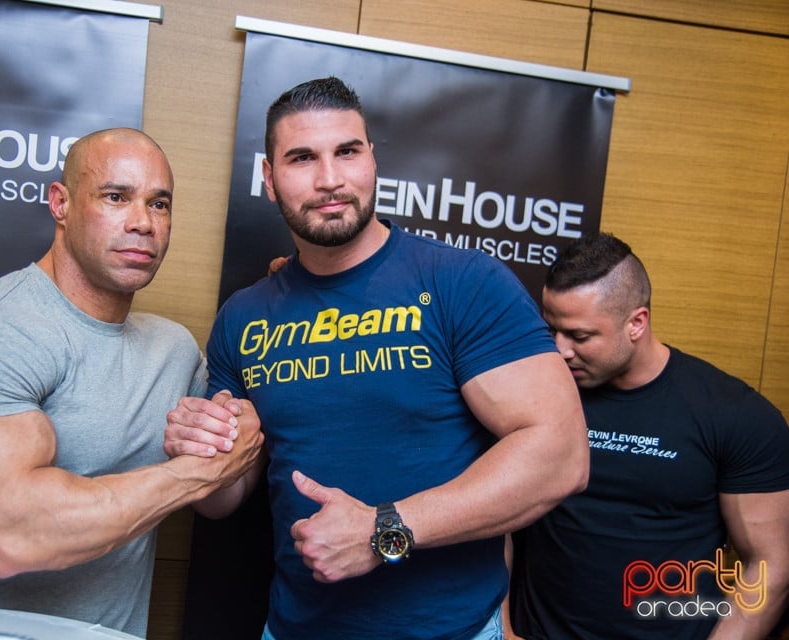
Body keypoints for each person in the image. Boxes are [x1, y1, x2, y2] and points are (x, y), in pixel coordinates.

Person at [165, 76, 589, 640]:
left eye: (347, 151)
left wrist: (384, 529)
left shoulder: (461, 282)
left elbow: (562, 456)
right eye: (302, 158)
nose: (330, 178)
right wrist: (202, 452)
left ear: (372, 159)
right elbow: (224, 501)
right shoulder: (243, 317)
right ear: (268, 179)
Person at [0, 127, 264, 637]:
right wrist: (191, 476)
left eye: (159, 204)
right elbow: (5, 536)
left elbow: (221, 497)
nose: (143, 223)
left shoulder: (173, 350)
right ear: (60, 204)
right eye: (116, 197)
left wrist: (239, 440)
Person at [507, 232, 789, 639]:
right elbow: (499, 521)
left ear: (636, 323)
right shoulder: (533, 397)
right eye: (552, 329)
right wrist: (505, 631)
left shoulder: (735, 414)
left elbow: (770, 565)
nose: (560, 348)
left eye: (580, 336)